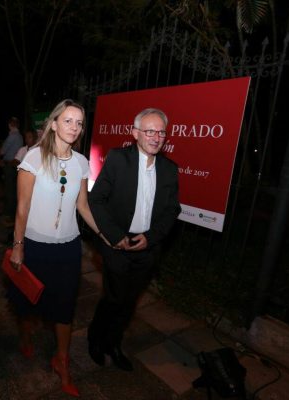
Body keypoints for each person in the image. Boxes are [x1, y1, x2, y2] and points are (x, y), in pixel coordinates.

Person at [8, 99, 106, 398]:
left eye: (79, 123)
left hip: (68, 248)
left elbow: (82, 205)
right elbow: (22, 207)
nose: (74, 127)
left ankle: (62, 361)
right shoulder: (34, 157)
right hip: (35, 246)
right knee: (27, 302)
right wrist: (18, 246)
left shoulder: (81, 162)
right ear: (53, 124)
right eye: (68, 120)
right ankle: (25, 336)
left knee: (65, 308)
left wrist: (103, 234)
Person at [87, 108, 181, 371]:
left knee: (129, 301)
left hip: (148, 247)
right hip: (117, 244)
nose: (156, 137)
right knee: (114, 297)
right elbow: (96, 199)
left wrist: (151, 238)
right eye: (149, 131)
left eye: (161, 132)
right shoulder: (119, 159)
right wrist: (115, 236)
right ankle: (95, 338)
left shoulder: (169, 169)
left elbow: (172, 210)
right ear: (135, 133)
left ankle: (113, 343)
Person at [0, 116, 23, 217]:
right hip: (16, 165)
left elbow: (2, 151)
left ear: (10, 125)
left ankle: (9, 212)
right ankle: (13, 211)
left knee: (9, 189)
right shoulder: (20, 136)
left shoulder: (12, 136)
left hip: (9, 165)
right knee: (14, 189)